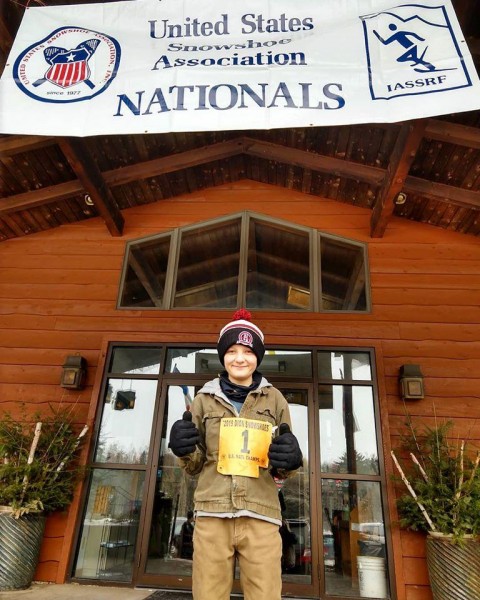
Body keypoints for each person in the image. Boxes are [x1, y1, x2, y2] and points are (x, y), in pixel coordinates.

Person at [168, 309, 303, 600]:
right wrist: (183, 448)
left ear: (258, 356)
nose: (239, 358)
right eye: (231, 351)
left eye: (247, 351)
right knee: (208, 595)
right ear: (222, 355)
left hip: (261, 513)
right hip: (212, 512)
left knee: (265, 595)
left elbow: (282, 464)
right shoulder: (204, 399)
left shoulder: (275, 399)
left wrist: (291, 460)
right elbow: (193, 466)